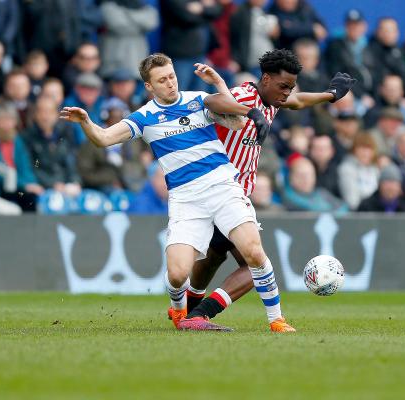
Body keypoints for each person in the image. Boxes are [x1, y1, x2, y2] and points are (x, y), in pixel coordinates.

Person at [61, 53, 285, 333]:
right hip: (185, 199)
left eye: (172, 77)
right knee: (178, 275)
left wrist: (218, 84)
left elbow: (238, 120)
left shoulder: (197, 100)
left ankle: (277, 320)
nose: (170, 83)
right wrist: (85, 121)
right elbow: (103, 138)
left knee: (253, 251)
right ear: (149, 87)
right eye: (162, 80)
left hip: (222, 186)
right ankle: (180, 313)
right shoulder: (144, 117)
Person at [178, 49, 355, 328]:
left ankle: (187, 311)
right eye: (283, 86)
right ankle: (202, 314)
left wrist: (330, 95)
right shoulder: (244, 96)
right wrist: (251, 113)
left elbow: (296, 101)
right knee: (255, 266)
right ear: (266, 78)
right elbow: (212, 101)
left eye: (290, 87)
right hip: (223, 193)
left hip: (227, 193)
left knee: (214, 256)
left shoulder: (273, 98)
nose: (287, 93)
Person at [0, 102, 43, 211]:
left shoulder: (16, 139)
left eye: (10, 120)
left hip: (18, 186)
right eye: (3, 120)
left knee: (34, 198)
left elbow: (25, 165)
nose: (7, 124)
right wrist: (24, 185)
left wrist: (31, 183)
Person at [99, 0, 159, 79]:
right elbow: (118, 24)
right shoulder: (107, 5)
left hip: (137, 63)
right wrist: (140, 25)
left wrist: (126, 13)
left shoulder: (144, 7)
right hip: (113, 65)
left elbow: (151, 22)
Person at [337, 133, 380, 209]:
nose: (365, 153)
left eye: (369, 149)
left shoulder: (375, 170)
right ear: (354, 150)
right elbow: (352, 201)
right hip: (358, 214)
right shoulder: (347, 169)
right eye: (362, 148)